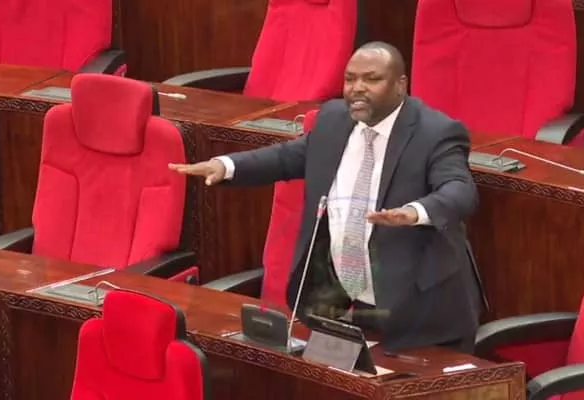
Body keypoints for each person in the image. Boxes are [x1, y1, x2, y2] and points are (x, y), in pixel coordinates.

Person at [169, 41, 486, 352]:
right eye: (350, 79)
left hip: (423, 314)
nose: (357, 88)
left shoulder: (436, 132)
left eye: (371, 79)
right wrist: (225, 165)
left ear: (400, 85)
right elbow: (287, 157)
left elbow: (460, 190)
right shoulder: (334, 119)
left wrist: (416, 212)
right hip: (347, 304)